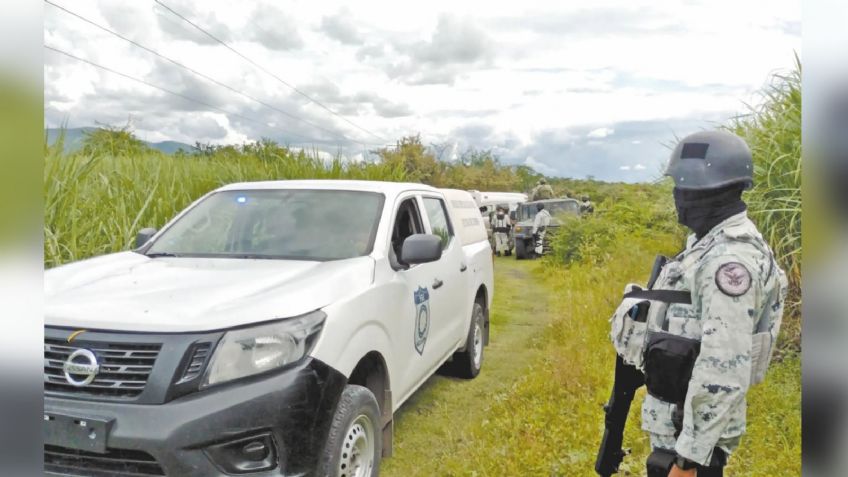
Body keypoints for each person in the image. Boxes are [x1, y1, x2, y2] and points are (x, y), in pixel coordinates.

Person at [609, 130, 787, 477]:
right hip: (678, 430)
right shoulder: (705, 245)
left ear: (708, 193)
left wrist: (687, 461)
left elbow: (724, 367)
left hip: (689, 446)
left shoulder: (729, 261)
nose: (678, 197)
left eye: (683, 188)